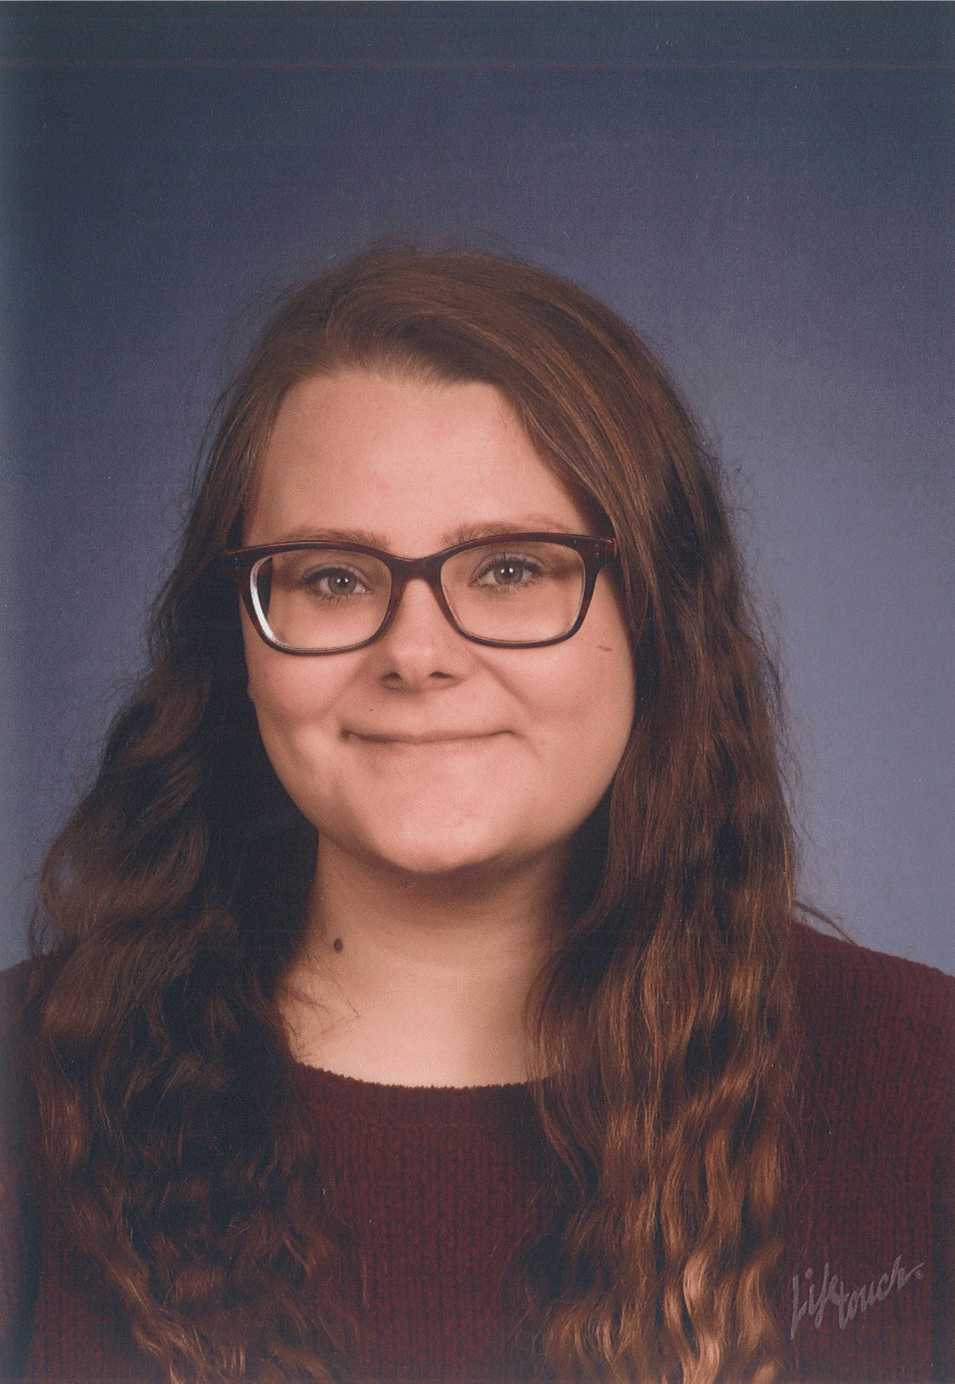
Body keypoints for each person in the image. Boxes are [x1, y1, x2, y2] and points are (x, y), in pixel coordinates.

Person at [0, 246, 951, 1384]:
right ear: (239, 638)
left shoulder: (921, 1085)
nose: (415, 653)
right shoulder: (22, 1090)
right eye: (333, 577)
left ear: (656, 621)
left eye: (509, 569)